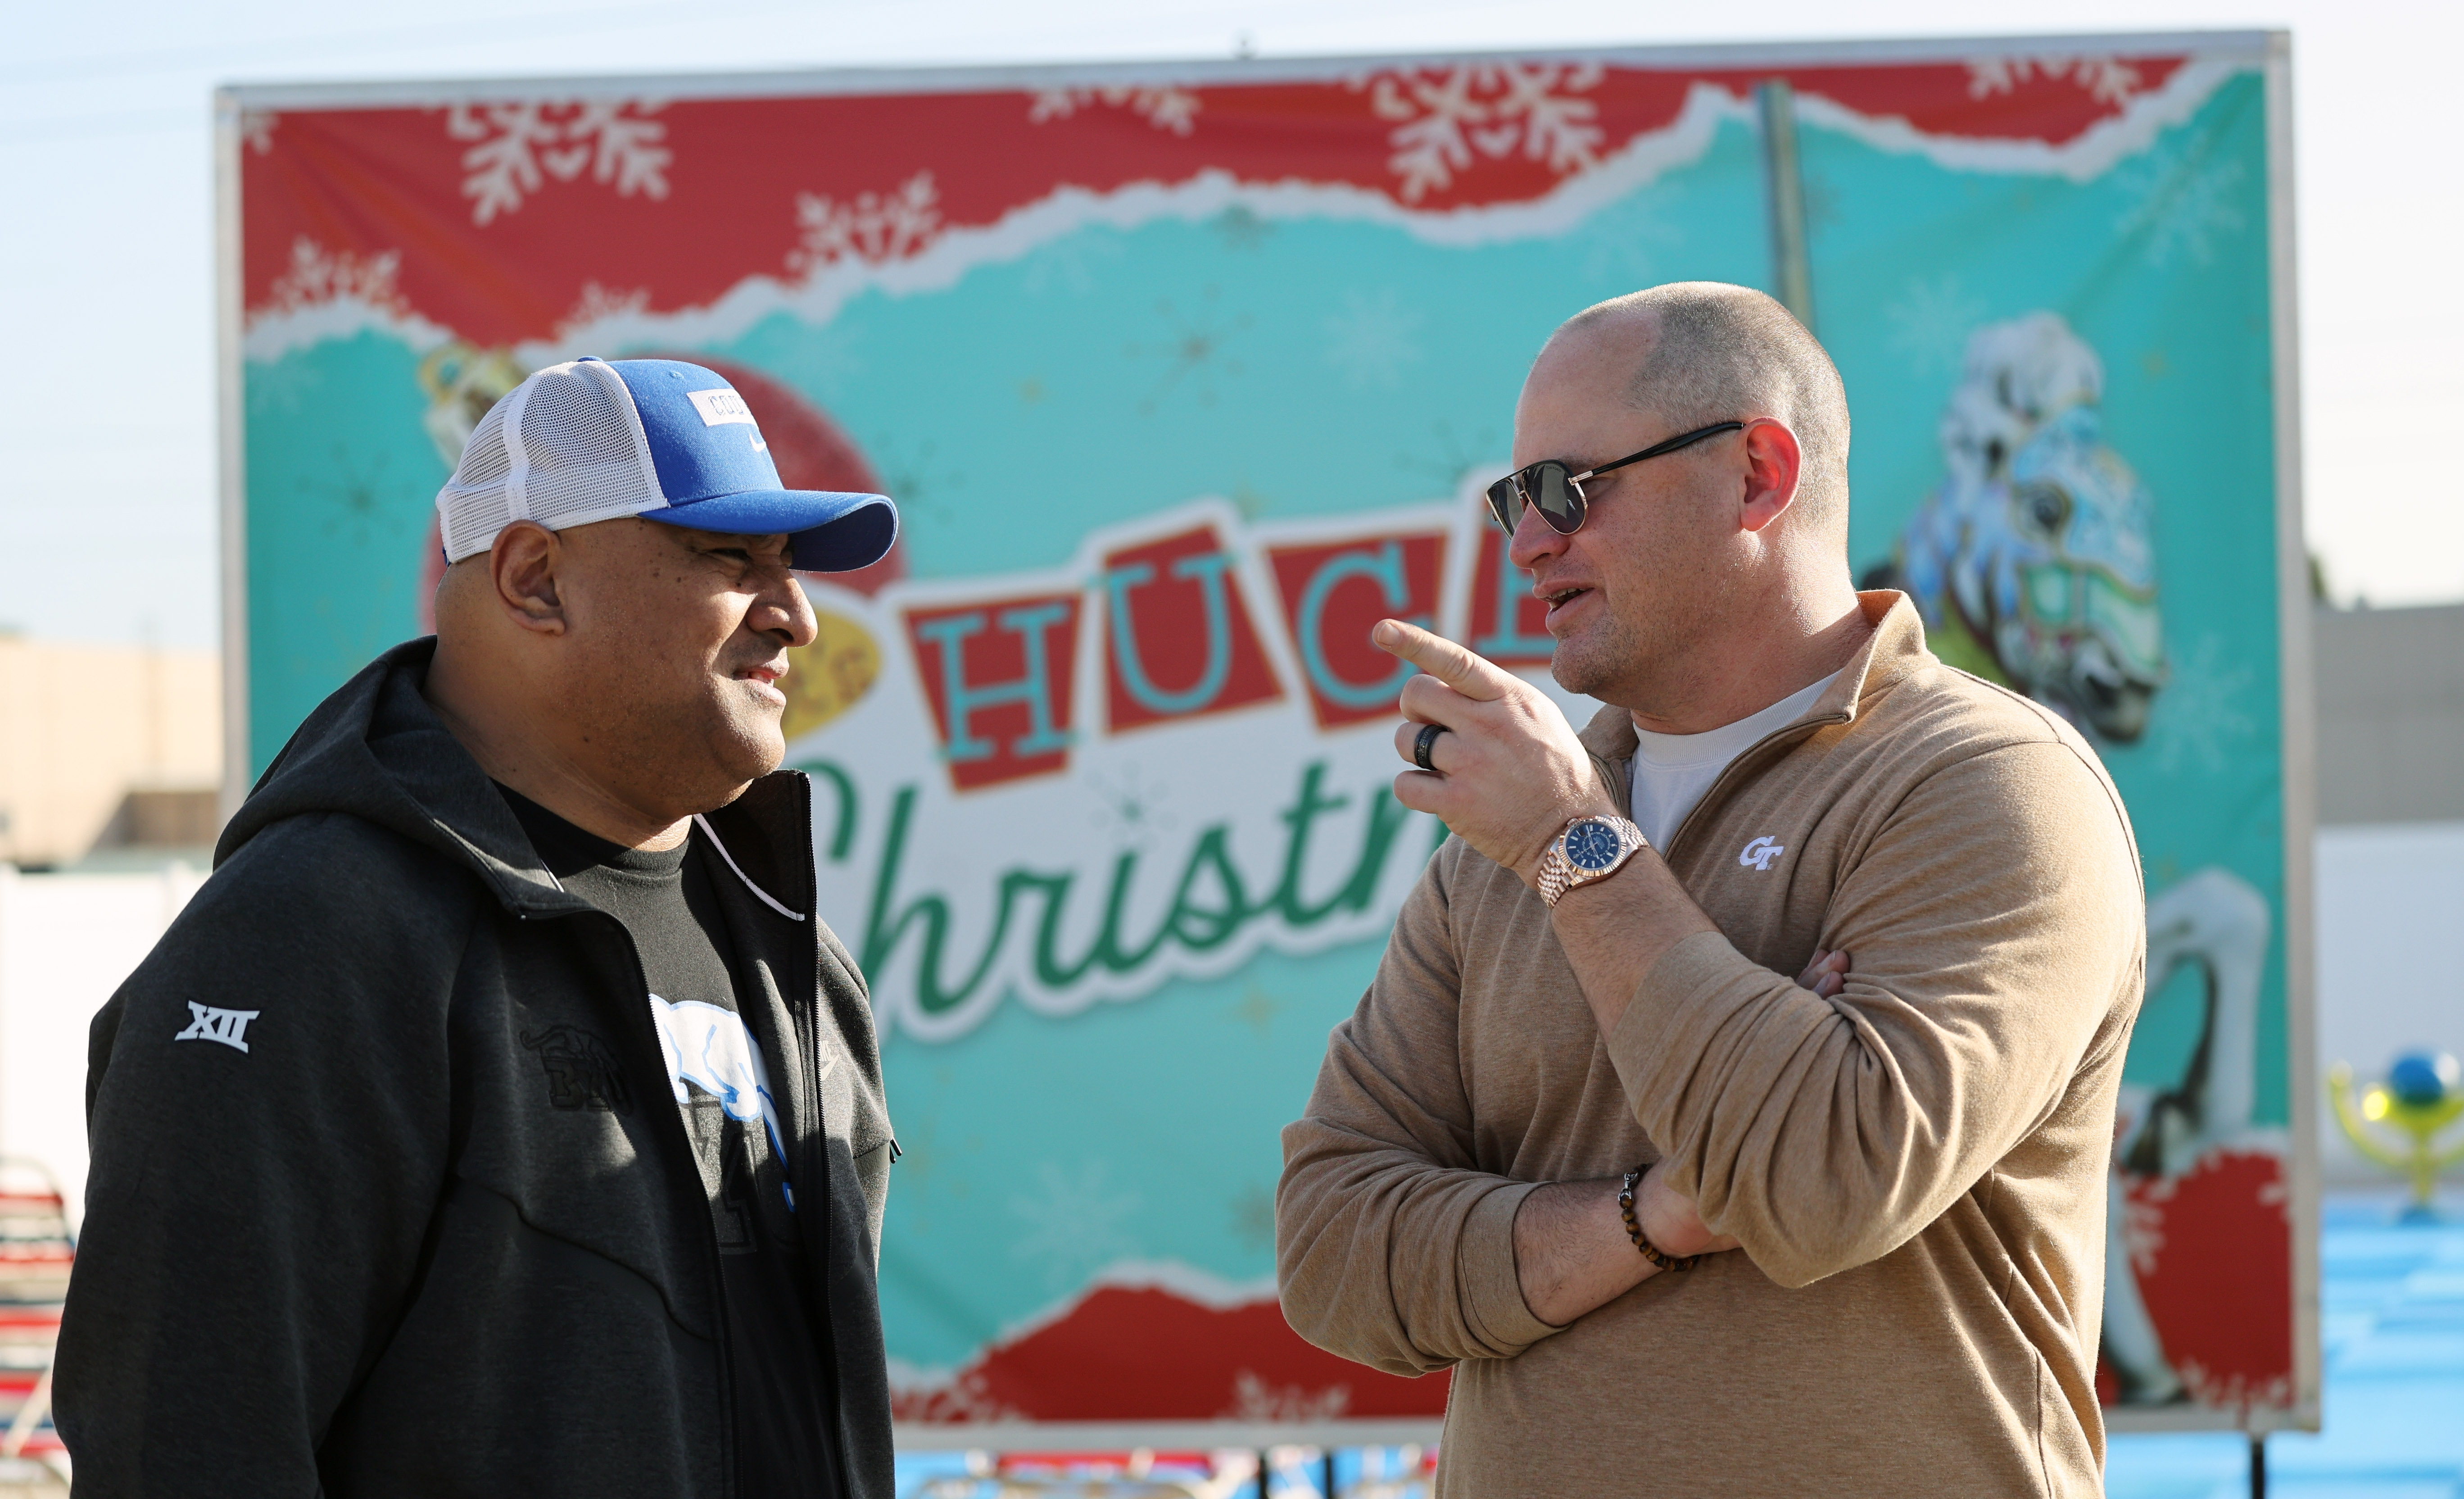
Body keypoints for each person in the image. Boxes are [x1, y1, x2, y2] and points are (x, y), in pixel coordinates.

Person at [1276, 284, 2146, 1497]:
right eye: (1513, 499)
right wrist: (1658, 1214)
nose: (1528, 540)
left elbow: (1821, 1182)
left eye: (1569, 490)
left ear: (1758, 474)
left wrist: (1578, 845)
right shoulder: (1507, 837)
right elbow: (1331, 1249)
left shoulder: (1993, 785)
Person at [58, 357, 903, 1498]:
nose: (796, 613)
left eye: (791, 564)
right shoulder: (308, 938)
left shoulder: (794, 958)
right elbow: (187, 1449)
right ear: (534, 577)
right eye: (730, 557)